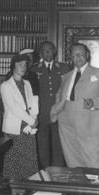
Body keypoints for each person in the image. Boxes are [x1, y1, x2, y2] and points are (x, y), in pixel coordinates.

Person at [50, 43, 99, 171]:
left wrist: (94, 102)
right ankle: (79, 190)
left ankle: (95, 190)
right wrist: (57, 111)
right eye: (74, 54)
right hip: (67, 127)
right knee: (73, 164)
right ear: (71, 57)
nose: (78, 56)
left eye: (81, 53)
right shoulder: (66, 76)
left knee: (94, 164)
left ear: (87, 55)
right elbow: (59, 96)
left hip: (91, 127)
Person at [31, 41, 70, 169]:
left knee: (59, 143)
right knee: (42, 143)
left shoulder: (64, 68)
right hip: (41, 112)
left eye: (50, 50)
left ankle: (58, 172)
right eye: (44, 50)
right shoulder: (34, 69)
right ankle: (44, 171)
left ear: (54, 51)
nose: (47, 52)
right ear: (41, 53)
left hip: (60, 111)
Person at [0, 54, 39, 179]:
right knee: (14, 162)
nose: (23, 67)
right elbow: (14, 108)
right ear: (13, 66)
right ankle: (15, 192)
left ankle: (27, 190)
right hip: (14, 128)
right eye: (20, 64)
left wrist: (33, 119)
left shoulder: (27, 83)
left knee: (29, 161)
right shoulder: (6, 86)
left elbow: (32, 102)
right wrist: (31, 120)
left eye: (25, 64)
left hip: (28, 127)